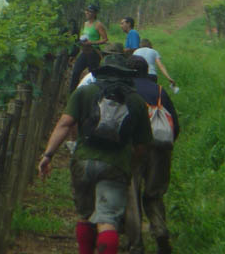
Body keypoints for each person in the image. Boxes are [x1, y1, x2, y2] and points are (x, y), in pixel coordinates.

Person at [39, 55, 153, 254]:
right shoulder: (136, 101)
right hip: (115, 165)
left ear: (102, 72)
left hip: (83, 161)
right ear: (127, 76)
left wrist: (48, 155)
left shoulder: (84, 92)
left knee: (85, 216)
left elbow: (64, 124)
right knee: (107, 220)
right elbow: (142, 146)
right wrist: (130, 165)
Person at [124, 55, 180, 254]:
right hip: (160, 146)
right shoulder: (159, 90)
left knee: (131, 194)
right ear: (146, 71)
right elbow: (175, 123)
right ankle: (160, 230)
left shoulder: (127, 91)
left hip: (134, 148)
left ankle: (136, 243)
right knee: (154, 193)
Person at [69, 3, 108, 93]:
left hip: (93, 51)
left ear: (94, 13)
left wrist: (92, 42)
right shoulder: (85, 24)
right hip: (85, 50)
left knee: (93, 73)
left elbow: (105, 39)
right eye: (86, 11)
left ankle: (93, 92)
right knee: (76, 71)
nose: (87, 13)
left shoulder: (98, 25)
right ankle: (72, 93)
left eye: (89, 11)